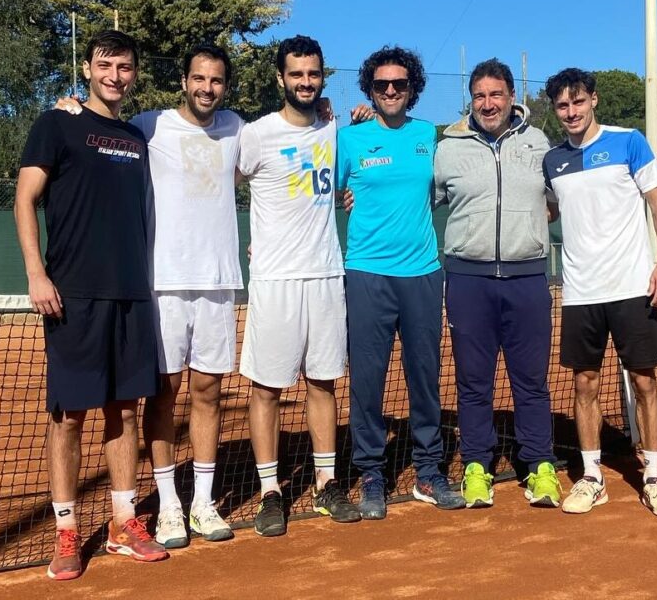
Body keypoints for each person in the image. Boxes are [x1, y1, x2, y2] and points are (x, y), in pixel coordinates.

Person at [14, 30, 167, 581]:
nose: (115, 76)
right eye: (105, 65)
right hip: (72, 295)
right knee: (69, 418)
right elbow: (25, 199)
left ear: (134, 73)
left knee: (126, 410)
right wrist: (36, 273)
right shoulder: (57, 123)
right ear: (86, 67)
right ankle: (67, 531)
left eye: (124, 67)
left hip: (132, 294)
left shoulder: (135, 136)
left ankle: (125, 524)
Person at [542, 68, 657, 517]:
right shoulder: (553, 160)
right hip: (580, 292)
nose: (571, 112)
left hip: (631, 286)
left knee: (644, 382)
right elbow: (547, 210)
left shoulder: (628, 141)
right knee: (584, 383)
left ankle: (655, 477)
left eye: (577, 102)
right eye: (562, 106)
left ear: (594, 100)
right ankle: (591, 476)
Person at [238, 34, 361, 536]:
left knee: (323, 382)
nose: (305, 82)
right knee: (266, 387)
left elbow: (333, 183)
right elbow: (218, 186)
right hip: (275, 280)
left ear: (321, 77)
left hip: (327, 274)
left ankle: (326, 483)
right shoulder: (256, 134)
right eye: (296, 74)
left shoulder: (335, 130)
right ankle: (271, 490)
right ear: (280, 78)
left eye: (313, 74)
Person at [337, 45, 465, 520]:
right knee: (367, 381)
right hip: (367, 273)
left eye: (399, 84)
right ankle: (372, 473)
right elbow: (320, 191)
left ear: (413, 90)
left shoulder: (430, 137)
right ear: (369, 88)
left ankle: (429, 471)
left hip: (423, 275)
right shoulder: (350, 139)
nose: (390, 91)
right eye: (381, 85)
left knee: (425, 378)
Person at [434, 58, 562, 509]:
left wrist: (526, 229)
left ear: (511, 98)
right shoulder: (448, 147)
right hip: (468, 282)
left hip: (528, 279)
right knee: (473, 383)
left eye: (496, 94)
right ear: (471, 100)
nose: (488, 104)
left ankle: (540, 467)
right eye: (480, 96)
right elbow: (422, 196)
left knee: (531, 382)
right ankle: (476, 468)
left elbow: (556, 201)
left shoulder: (539, 142)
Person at [136, 45, 243, 547]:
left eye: (216, 80)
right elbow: (100, 132)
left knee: (209, 392)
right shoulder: (149, 125)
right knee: (162, 392)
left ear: (225, 86)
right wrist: (72, 107)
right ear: (183, 81)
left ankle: (202, 502)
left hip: (219, 283)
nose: (207, 88)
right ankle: (168, 506)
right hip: (164, 284)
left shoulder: (238, 128)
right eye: (198, 79)